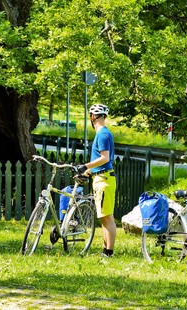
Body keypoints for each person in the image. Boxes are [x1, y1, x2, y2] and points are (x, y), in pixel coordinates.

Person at [75, 103, 116, 259]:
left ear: (93, 117)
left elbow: (104, 158)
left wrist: (85, 165)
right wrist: (87, 171)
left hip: (104, 179)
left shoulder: (103, 135)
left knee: (107, 217)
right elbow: (101, 161)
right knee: (103, 217)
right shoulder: (102, 134)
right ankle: (105, 250)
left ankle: (109, 252)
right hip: (100, 177)